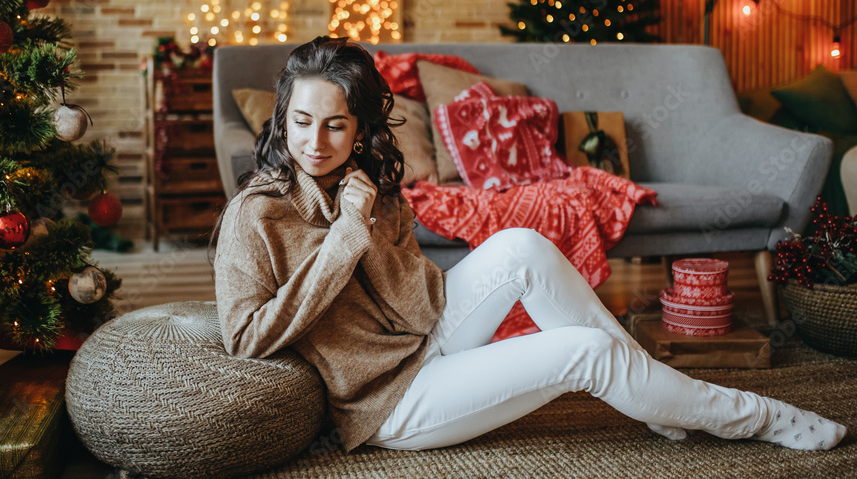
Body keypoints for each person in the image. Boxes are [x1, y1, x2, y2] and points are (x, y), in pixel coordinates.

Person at [212, 36, 847, 453]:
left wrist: (369, 219)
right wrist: (346, 236)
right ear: (281, 118)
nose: (316, 141)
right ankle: (759, 417)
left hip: (425, 336)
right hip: (388, 401)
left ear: (359, 130)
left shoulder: (366, 187)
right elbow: (246, 338)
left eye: (335, 125)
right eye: (301, 122)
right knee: (589, 351)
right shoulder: (254, 217)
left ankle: (652, 394)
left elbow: (414, 304)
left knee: (521, 242)